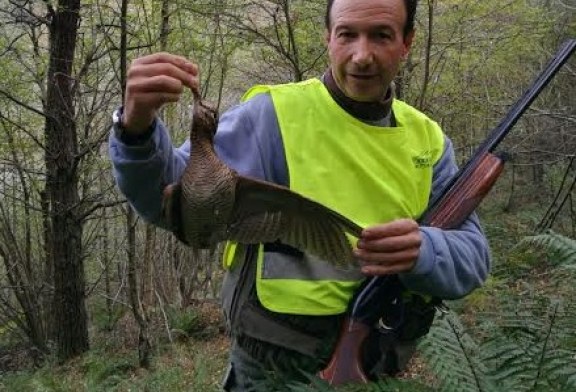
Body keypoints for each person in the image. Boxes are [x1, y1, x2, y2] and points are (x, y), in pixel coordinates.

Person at [109, 0, 491, 390]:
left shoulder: (428, 141)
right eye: (347, 34)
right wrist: (136, 129)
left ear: (407, 42)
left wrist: (424, 250)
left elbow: (473, 257)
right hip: (270, 374)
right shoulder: (271, 117)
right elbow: (174, 200)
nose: (362, 56)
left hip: (373, 369)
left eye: (381, 35)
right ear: (328, 38)